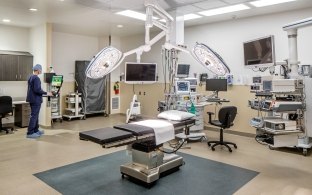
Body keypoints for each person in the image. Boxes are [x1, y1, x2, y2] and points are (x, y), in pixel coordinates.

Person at [26, 64, 52, 138]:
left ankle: (36, 130)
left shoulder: (30, 77)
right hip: (36, 100)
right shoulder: (36, 78)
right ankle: (30, 133)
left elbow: (33, 90)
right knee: (34, 116)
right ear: (38, 70)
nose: (41, 71)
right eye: (40, 69)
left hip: (31, 99)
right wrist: (47, 93)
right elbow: (37, 90)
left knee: (35, 115)